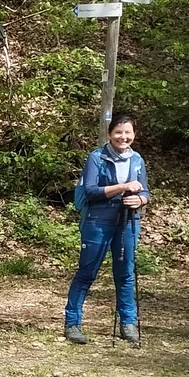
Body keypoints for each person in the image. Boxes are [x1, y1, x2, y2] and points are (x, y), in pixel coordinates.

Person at [64, 113, 150, 345]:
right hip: (98, 221)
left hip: (128, 221)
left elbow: (145, 191)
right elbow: (91, 191)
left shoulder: (137, 159)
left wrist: (140, 200)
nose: (123, 137)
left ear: (134, 134)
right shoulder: (97, 157)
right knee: (87, 272)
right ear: (110, 134)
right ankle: (72, 323)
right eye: (118, 132)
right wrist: (122, 187)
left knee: (126, 273)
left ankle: (128, 323)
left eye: (128, 133)